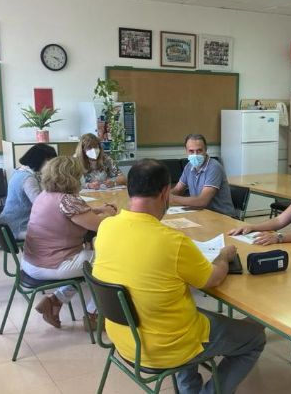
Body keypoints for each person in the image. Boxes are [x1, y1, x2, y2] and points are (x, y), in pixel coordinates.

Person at [93, 159, 266, 394]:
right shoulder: (172, 241)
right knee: (254, 337)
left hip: (125, 337)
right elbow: (212, 279)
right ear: (166, 192)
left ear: (129, 189)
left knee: (179, 308)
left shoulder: (106, 227)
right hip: (167, 344)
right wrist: (224, 256)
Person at [23, 156, 117, 329]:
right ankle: (93, 315)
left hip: (33, 261)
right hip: (51, 263)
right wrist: (109, 215)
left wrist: (99, 210)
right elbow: (100, 225)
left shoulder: (45, 195)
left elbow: (77, 214)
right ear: (71, 176)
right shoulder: (67, 200)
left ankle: (55, 302)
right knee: (109, 261)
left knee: (88, 261)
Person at [170, 134, 236, 217]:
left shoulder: (214, 167)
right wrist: (163, 196)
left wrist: (172, 199)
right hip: (202, 214)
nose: (195, 154)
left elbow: (202, 201)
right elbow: (178, 190)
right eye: (191, 151)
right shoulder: (189, 166)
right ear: (186, 151)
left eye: (199, 150)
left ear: (206, 150)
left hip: (222, 217)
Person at [0, 143, 57, 239]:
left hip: (8, 223)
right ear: (41, 160)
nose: (52, 165)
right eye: (50, 161)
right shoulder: (28, 178)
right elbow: (40, 204)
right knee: (58, 230)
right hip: (18, 227)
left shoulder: (19, 171)